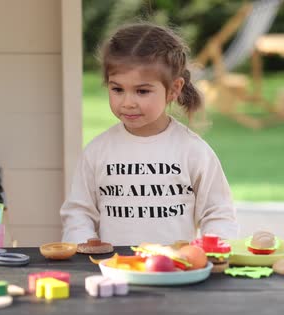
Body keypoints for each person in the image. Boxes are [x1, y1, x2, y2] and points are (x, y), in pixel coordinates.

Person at [61, 23, 238, 246]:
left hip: (175, 272)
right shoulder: (98, 151)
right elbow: (78, 213)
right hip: (113, 271)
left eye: (142, 91)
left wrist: (215, 253)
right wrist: (84, 249)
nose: (127, 102)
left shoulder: (193, 150)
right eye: (117, 89)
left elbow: (218, 214)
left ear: (174, 89)